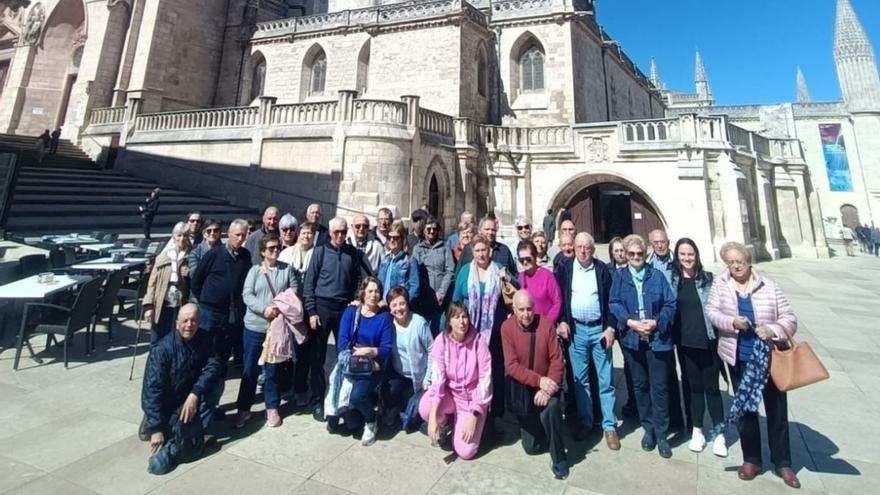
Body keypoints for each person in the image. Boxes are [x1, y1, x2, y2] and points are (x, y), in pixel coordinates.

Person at [707, 242, 800, 489]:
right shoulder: (721, 284)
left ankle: (782, 462)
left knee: (777, 410)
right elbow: (712, 312)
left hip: (769, 358)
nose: (735, 266)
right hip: (739, 356)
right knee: (746, 410)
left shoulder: (768, 286)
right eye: (730, 262)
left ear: (749, 261)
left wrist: (772, 329)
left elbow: (790, 319)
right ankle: (752, 459)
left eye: (739, 261)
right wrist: (731, 322)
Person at [609, 234, 677, 459]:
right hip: (632, 339)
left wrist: (657, 322)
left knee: (659, 387)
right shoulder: (620, 277)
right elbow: (614, 303)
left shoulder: (656, 276)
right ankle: (648, 428)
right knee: (639, 385)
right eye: (631, 254)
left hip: (657, 339)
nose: (636, 257)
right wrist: (629, 322)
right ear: (626, 255)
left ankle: (661, 433)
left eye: (639, 253)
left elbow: (670, 303)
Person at [141, 304, 223, 475]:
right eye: (185, 320)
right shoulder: (163, 349)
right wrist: (156, 428)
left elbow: (214, 364)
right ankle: (155, 424)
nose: (189, 325)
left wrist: (195, 393)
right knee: (160, 462)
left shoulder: (205, 339)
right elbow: (151, 390)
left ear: (199, 322)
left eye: (193, 320)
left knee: (216, 384)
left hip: (188, 395)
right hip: (169, 402)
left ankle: (198, 430)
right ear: (177, 323)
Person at [556, 233, 620, 448]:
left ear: (593, 249)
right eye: (579, 247)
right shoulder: (565, 269)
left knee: (605, 380)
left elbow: (612, 301)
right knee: (580, 380)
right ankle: (586, 421)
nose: (583, 251)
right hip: (577, 331)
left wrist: (611, 327)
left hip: (599, 330)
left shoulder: (602, 270)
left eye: (587, 247)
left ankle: (609, 426)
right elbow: (560, 299)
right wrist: (562, 321)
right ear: (574, 248)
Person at [302, 217, 367, 421]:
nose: (340, 235)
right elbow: (309, 283)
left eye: (343, 232)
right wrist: (311, 311)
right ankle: (317, 401)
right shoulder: (320, 252)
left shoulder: (351, 253)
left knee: (345, 356)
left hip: (344, 309)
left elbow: (359, 278)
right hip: (322, 308)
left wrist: (357, 298)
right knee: (317, 358)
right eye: (336, 232)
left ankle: (342, 399)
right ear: (329, 233)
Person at [234, 234, 299, 429]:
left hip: (277, 328)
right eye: (270, 248)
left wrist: (279, 307)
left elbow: (294, 291)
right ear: (262, 251)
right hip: (255, 326)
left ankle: (272, 406)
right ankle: (244, 408)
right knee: (250, 369)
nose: (275, 251)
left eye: (277, 247)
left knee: (273, 370)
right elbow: (247, 294)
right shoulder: (255, 271)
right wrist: (265, 309)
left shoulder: (286, 269)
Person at [502, 291, 568, 479]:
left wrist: (547, 388)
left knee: (552, 409)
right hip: (524, 390)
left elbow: (557, 359)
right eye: (521, 310)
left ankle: (559, 458)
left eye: (529, 309)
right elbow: (511, 365)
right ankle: (543, 429)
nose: (526, 314)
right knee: (531, 447)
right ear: (514, 309)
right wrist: (538, 381)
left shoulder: (546, 325)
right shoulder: (506, 328)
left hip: (547, 387)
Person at [452, 235, 518, 422]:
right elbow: (456, 300)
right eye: (478, 250)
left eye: (484, 250)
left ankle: (494, 417)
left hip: (495, 333)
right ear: (473, 252)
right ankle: (472, 411)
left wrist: (509, 277)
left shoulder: (498, 270)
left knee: (495, 373)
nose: (481, 254)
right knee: (471, 372)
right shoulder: (465, 271)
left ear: (490, 251)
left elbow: (518, 288)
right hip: (470, 331)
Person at [671, 238, 726, 456]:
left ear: (697, 255)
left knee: (712, 388)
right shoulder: (673, 280)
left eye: (690, 254)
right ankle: (697, 431)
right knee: (693, 388)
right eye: (682, 254)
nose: (686, 258)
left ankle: (720, 433)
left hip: (708, 341)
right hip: (685, 343)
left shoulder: (709, 280)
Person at [419, 303, 492, 460]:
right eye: (456, 317)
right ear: (449, 321)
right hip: (450, 395)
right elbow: (438, 379)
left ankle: (476, 424)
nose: (462, 322)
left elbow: (485, 380)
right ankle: (446, 424)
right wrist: (432, 418)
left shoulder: (479, 342)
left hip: (471, 401)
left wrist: (474, 414)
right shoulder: (442, 341)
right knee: (425, 408)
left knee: (465, 452)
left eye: (464, 316)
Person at [328, 277, 394, 445]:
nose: (374, 295)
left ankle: (371, 421)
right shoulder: (351, 312)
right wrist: (355, 355)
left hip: (371, 365)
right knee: (343, 425)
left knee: (356, 397)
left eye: (377, 291)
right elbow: (342, 341)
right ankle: (350, 414)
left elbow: (386, 349)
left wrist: (370, 351)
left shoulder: (384, 317)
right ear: (363, 293)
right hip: (350, 362)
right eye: (370, 291)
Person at [191, 218, 251, 373]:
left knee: (223, 349)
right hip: (210, 311)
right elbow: (197, 279)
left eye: (243, 235)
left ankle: (218, 376)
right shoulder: (214, 254)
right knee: (205, 346)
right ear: (229, 234)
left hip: (230, 312)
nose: (240, 238)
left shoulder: (245, 256)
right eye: (237, 234)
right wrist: (205, 300)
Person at [382, 287, 434, 431]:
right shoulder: (389, 325)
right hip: (401, 375)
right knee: (390, 390)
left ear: (407, 303)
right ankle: (395, 408)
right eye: (394, 305)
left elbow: (432, 350)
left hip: (422, 377)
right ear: (389, 308)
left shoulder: (419, 323)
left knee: (413, 418)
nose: (398, 308)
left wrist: (428, 378)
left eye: (402, 304)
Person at [143, 222, 191, 345]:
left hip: (179, 304)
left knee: (175, 339)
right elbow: (152, 283)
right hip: (161, 303)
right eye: (179, 235)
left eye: (185, 235)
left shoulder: (190, 257)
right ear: (173, 237)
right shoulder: (163, 257)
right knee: (156, 340)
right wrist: (148, 306)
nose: (182, 238)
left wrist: (188, 274)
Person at [412, 217, 455, 334]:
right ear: (423, 230)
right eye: (429, 229)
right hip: (425, 297)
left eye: (434, 229)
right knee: (425, 330)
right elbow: (416, 273)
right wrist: (430, 293)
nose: (432, 232)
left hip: (442, 298)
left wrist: (441, 292)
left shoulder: (445, 247)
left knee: (441, 328)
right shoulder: (418, 249)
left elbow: (450, 270)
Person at [517, 240, 562, 324]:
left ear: (535, 256)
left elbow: (557, 302)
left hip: (545, 325)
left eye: (528, 259)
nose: (525, 262)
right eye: (521, 260)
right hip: (526, 326)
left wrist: (547, 323)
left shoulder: (547, 276)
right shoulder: (520, 277)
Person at [377, 220, 420, 301]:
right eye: (389, 237)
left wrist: (403, 304)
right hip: (384, 305)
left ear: (402, 238)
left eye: (396, 238)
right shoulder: (385, 260)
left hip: (399, 307)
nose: (392, 240)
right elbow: (379, 283)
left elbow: (414, 287)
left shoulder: (410, 260)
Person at [279, 221, 314, 288]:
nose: (306, 236)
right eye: (303, 233)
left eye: (309, 233)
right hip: (289, 290)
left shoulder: (318, 254)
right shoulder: (286, 252)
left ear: (313, 235)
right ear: (298, 235)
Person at [187, 219, 221, 289]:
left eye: (216, 230)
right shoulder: (195, 253)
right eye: (209, 231)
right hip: (199, 293)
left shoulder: (225, 251)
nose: (212, 233)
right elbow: (195, 275)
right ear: (204, 234)